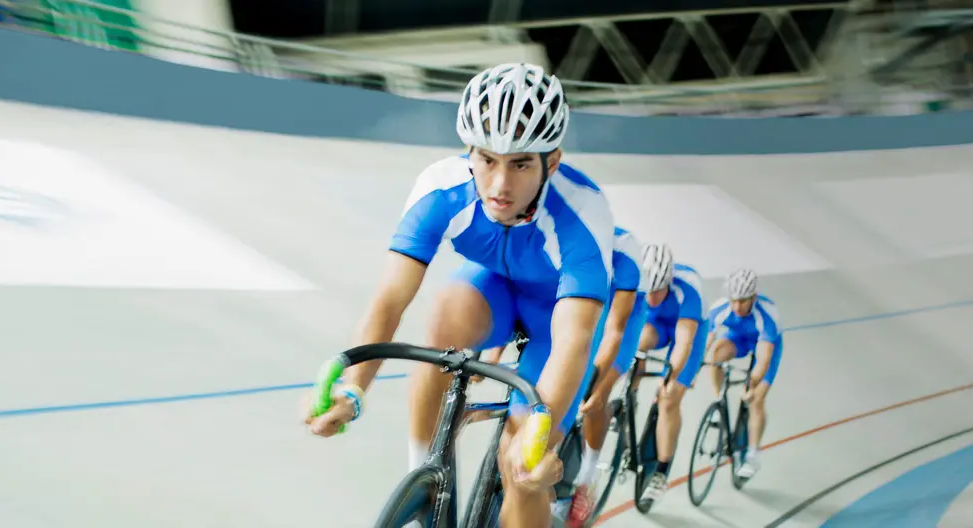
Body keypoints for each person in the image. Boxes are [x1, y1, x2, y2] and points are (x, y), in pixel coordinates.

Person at [302, 62, 616, 528]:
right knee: (443, 320)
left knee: (521, 467)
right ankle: (423, 481)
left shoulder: (583, 211)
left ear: (552, 161)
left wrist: (536, 433)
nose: (499, 185)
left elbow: (572, 341)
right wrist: (355, 388)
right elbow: (391, 297)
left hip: (555, 318)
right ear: (468, 150)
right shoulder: (441, 189)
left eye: (521, 164)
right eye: (486, 160)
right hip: (492, 289)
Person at [565, 226, 650, 525]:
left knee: (594, 396)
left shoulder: (624, 249)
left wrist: (595, 381)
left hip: (623, 316)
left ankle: (586, 481)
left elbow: (614, 331)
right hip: (588, 297)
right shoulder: (564, 236)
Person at [635, 243, 709, 504]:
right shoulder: (634, 282)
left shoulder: (688, 288)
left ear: (668, 281)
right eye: (648, 291)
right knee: (637, 344)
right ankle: (628, 405)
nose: (652, 298)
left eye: (658, 291)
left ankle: (661, 472)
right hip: (656, 325)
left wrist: (669, 378)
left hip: (687, 331)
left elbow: (684, 343)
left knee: (669, 398)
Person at [703, 268, 783, 479]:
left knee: (756, 399)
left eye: (743, 301)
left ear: (754, 297)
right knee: (717, 352)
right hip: (738, 339)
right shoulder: (719, 308)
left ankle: (753, 454)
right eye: (734, 301)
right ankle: (719, 400)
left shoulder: (767, 314)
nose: (737, 306)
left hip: (765, 346)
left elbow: (763, 359)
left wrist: (751, 384)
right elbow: (705, 342)